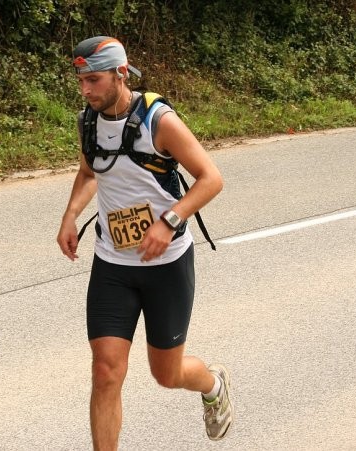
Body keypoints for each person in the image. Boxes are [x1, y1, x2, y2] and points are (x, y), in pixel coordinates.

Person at [56, 36, 233, 450]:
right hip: (113, 264)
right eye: (80, 80)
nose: (85, 90)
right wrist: (69, 216)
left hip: (166, 264)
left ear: (121, 73)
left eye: (94, 80)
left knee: (166, 375)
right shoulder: (89, 121)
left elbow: (211, 178)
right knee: (105, 371)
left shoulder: (159, 121)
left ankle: (213, 382)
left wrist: (169, 221)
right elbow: (89, 171)